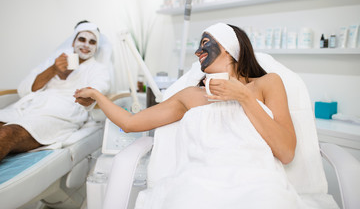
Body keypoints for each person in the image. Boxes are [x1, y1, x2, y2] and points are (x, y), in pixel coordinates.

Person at [74, 23, 305, 208]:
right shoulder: (190, 96)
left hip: (259, 184)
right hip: (198, 184)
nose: (198, 52)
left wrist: (243, 97)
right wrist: (97, 96)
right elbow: (130, 122)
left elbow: (286, 152)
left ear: (229, 48)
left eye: (205, 44)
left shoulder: (267, 84)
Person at [0, 21, 110, 162]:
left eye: (92, 42)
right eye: (82, 39)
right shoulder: (54, 61)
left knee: (6, 134)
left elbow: (98, 89)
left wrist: (88, 97)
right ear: (73, 42)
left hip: (59, 113)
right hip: (28, 107)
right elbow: (24, 90)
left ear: (96, 48)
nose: (86, 45)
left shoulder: (98, 69)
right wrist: (53, 70)